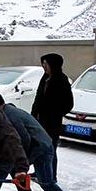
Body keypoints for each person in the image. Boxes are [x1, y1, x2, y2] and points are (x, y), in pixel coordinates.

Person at [0, 92, 86, 191]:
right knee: (14, 169)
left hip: (42, 149)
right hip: (37, 146)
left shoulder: (9, 116)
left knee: (47, 183)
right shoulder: (8, 110)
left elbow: (24, 139)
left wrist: (22, 163)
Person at [31, 53, 74, 181]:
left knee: (50, 148)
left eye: (46, 64)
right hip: (39, 120)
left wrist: (55, 113)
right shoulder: (44, 78)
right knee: (39, 147)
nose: (44, 67)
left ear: (54, 65)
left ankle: (51, 175)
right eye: (43, 64)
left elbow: (69, 104)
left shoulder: (61, 80)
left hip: (52, 122)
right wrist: (34, 114)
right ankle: (39, 171)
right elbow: (38, 98)